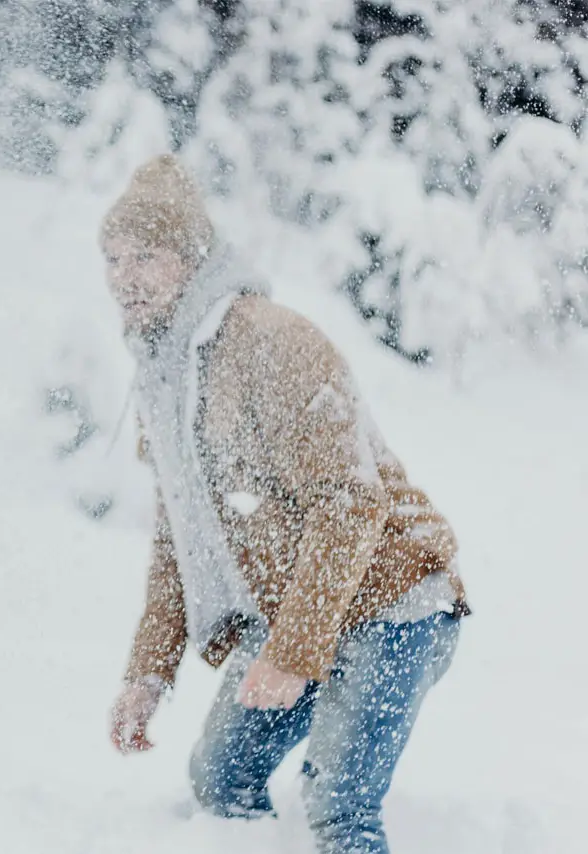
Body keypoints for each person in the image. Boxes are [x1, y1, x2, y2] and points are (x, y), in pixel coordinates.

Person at [103, 156, 468, 854]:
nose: (125, 278)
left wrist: (294, 653)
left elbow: (351, 504)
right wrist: (148, 673)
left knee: (338, 805)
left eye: (145, 256)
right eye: (114, 259)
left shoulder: (271, 341)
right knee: (222, 778)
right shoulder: (165, 374)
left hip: (395, 604)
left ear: (191, 258)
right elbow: (176, 539)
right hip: (299, 611)